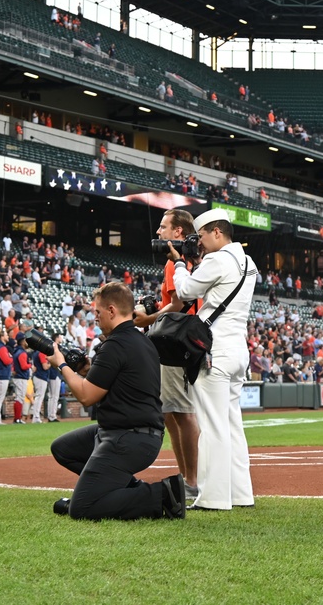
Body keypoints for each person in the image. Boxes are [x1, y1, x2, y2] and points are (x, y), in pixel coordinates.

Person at [49, 282, 186, 521]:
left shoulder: (114, 345)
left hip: (129, 437)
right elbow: (116, 381)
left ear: (111, 311)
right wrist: (84, 370)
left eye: (98, 312)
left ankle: (161, 494)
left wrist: (61, 365)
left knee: (81, 509)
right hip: (130, 432)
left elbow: (86, 396)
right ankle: (121, 488)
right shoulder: (141, 341)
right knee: (63, 449)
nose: (96, 318)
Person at [170, 208, 258, 510]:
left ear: (217, 232)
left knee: (213, 425)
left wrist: (181, 264)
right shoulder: (248, 261)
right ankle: (241, 493)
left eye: (204, 236)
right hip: (237, 349)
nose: (201, 243)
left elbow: (184, 290)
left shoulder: (218, 259)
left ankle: (214, 497)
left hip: (215, 350)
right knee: (232, 424)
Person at [134, 209, 201, 500]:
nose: (159, 232)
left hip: (176, 342)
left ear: (178, 233)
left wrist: (147, 320)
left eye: (164, 227)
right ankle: (188, 476)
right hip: (179, 341)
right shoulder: (184, 261)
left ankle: (192, 479)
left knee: (180, 413)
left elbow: (178, 304)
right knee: (171, 413)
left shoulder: (177, 262)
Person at [10, 332, 33, 424]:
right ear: (22, 341)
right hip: (21, 377)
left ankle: (17, 418)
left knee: (19, 398)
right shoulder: (22, 353)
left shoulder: (16, 351)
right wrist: (30, 364)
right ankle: (17, 418)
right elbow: (23, 366)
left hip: (18, 376)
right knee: (20, 398)